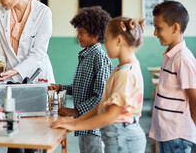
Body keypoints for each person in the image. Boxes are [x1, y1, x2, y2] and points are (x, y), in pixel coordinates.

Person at [51, 17, 147, 153]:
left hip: (123, 139)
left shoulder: (125, 74)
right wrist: (73, 122)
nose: (105, 44)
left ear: (119, 40)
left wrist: (76, 125)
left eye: (107, 39)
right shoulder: (120, 68)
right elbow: (102, 105)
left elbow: (110, 115)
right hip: (116, 136)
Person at [49, 6, 112, 153]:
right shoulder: (85, 56)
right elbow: (80, 88)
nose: (78, 36)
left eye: (82, 33)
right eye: (78, 32)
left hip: (93, 126)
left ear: (96, 35)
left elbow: (100, 96)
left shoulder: (99, 58)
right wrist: (60, 87)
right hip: (83, 123)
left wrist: (75, 110)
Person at [149, 0, 196, 153]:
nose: (155, 33)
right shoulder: (171, 56)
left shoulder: (183, 58)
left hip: (177, 136)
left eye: (158, 28)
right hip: (167, 133)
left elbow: (194, 99)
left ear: (175, 27)